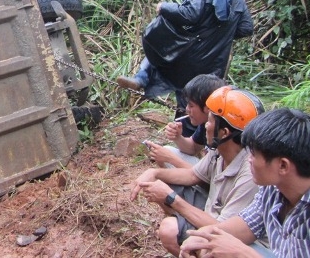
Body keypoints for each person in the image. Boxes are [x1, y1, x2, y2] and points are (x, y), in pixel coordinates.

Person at [117, 0, 253, 133]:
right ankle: (204, 142)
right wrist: (221, 36)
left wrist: (163, 6)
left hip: (190, 61)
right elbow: (246, 28)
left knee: (162, 55)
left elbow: (189, 14)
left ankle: (141, 80)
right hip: (215, 65)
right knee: (207, 102)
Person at [130, 86, 265, 256]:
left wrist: (172, 199)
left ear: (224, 133)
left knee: (187, 239)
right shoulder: (218, 150)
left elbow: (223, 230)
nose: (206, 126)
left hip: (227, 230)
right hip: (212, 213)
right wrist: (154, 173)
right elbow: (192, 175)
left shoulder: (250, 174)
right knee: (169, 217)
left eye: (209, 121)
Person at [180, 108, 310, 258]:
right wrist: (205, 236)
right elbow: (247, 224)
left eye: (254, 154)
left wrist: (243, 253)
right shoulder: (272, 190)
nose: (249, 159)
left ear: (283, 166)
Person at [146, 74, 225, 169]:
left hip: (220, 179)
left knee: (164, 162)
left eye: (191, 105)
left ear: (207, 108)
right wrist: (177, 137)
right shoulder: (206, 121)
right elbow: (193, 148)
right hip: (209, 172)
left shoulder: (223, 130)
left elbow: (208, 178)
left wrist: (170, 159)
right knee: (167, 151)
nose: (187, 109)